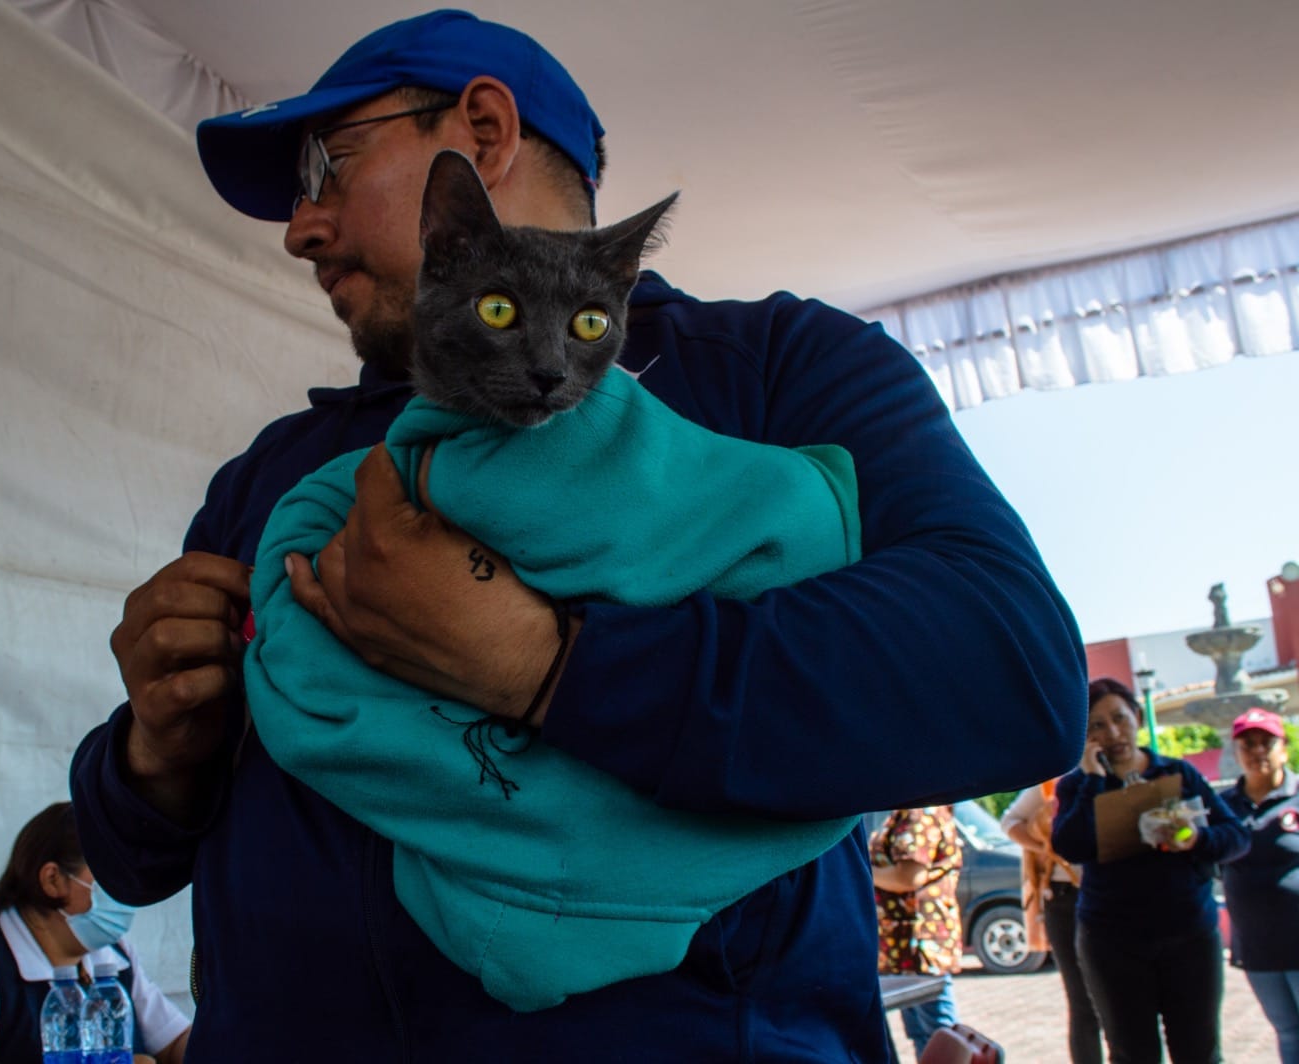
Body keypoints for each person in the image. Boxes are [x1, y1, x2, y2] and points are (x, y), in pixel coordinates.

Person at [70, 10, 1087, 1060]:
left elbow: (1009, 668)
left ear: (482, 129)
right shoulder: (272, 477)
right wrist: (151, 748)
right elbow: (132, 862)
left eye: (328, 167)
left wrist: (548, 662)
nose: (300, 227)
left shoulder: (780, 370)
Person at [0, 802, 189, 1064]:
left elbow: (175, 1042)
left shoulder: (113, 956)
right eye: (108, 876)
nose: (124, 890)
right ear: (52, 879)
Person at [1051, 678, 1250, 1064]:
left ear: (1137, 719)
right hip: (1113, 943)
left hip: (1189, 936)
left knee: (1200, 1052)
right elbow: (1069, 845)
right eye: (1097, 725)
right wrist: (1093, 779)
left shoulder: (1177, 774)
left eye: (1120, 719)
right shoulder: (1077, 786)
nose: (1113, 733)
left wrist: (1196, 839)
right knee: (1131, 1054)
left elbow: (1236, 837)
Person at [1001, 779, 1102, 1063]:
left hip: (1115, 893)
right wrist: (1047, 847)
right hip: (1066, 897)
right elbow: (1010, 822)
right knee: (1083, 1000)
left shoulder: (1126, 772)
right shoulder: (1055, 781)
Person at [1220, 707, 1299, 1063]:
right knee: (1288, 1031)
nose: (1257, 751)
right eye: (1247, 744)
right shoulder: (1223, 806)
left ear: (1283, 748)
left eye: (1266, 742)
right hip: (1257, 947)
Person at [869, 807, 964, 1057]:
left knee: (939, 1035)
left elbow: (909, 876)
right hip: (905, 945)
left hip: (921, 943)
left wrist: (863, 873)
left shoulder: (919, 814)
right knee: (922, 1033)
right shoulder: (906, 812)